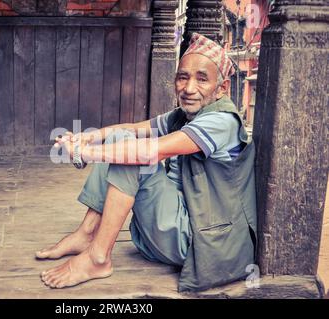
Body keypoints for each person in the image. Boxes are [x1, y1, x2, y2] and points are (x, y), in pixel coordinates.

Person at [36, 33, 257, 292]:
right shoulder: (183, 116)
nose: (188, 88)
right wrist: (88, 137)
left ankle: (98, 257)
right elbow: (131, 128)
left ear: (222, 88)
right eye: (183, 77)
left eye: (202, 79)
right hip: (176, 230)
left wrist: (85, 153)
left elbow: (150, 151)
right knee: (123, 140)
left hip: (205, 245)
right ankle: (86, 234)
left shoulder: (222, 122)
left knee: (135, 155)